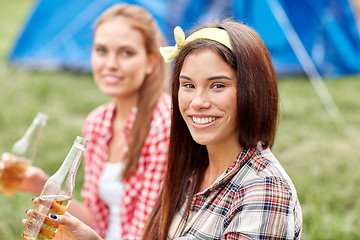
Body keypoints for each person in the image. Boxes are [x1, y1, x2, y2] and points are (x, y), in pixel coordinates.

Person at [24, 19, 303, 239]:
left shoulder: (262, 190)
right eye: (188, 85)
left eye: (218, 85)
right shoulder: (192, 168)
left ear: (253, 91)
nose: (198, 102)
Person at [18, 3, 171, 240]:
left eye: (126, 52)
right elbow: (97, 220)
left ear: (151, 61)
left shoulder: (164, 122)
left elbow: (149, 233)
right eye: (101, 50)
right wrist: (40, 184)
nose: (110, 64)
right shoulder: (98, 122)